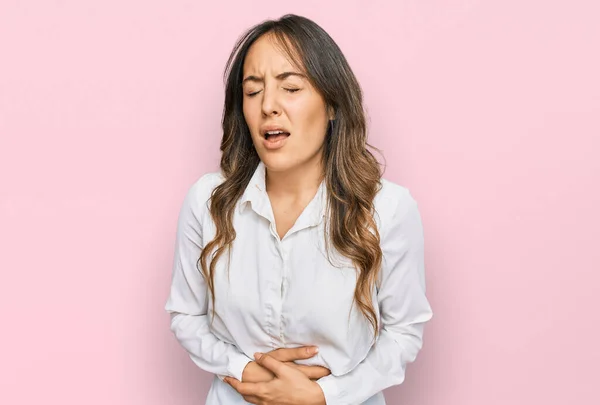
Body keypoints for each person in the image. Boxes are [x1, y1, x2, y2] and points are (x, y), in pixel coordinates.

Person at [164, 14, 433, 405]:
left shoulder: (387, 210)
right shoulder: (208, 201)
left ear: (332, 105)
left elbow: (404, 332)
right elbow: (186, 316)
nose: (268, 106)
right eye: (252, 92)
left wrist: (324, 395)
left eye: (290, 87)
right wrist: (247, 371)